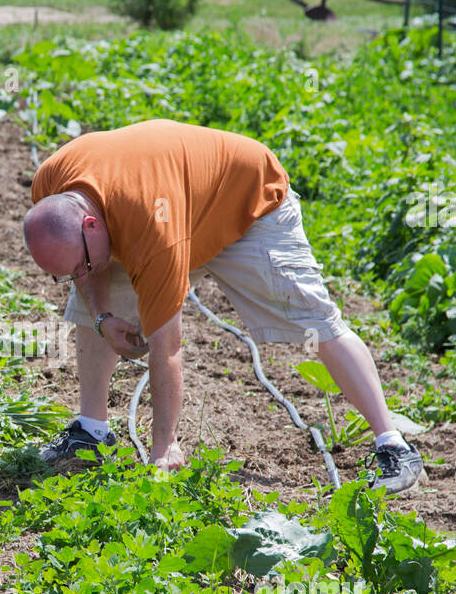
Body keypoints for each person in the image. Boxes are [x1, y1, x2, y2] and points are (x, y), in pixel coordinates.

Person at [22, 119, 423, 494]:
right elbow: (85, 273)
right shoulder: (51, 186)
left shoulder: (150, 225)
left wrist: (165, 449)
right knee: (89, 300)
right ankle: (91, 430)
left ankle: (394, 445)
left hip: (248, 206)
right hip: (174, 208)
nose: (80, 273)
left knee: (314, 321)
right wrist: (102, 317)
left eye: (81, 265)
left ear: (91, 224)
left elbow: (168, 347)